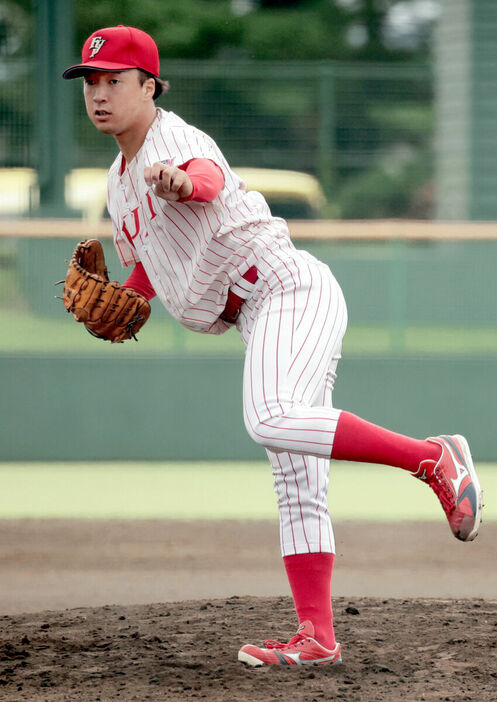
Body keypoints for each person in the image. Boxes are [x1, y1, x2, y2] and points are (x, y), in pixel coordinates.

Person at [63, 25, 483, 667]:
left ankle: (432, 458)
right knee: (295, 475)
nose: (99, 93)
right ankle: (317, 636)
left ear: (149, 86)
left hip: (287, 289)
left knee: (270, 418)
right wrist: (128, 298)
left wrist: (182, 183)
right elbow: (148, 264)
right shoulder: (118, 185)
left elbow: (202, 176)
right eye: (91, 81)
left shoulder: (172, 139)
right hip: (256, 314)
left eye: (114, 80)